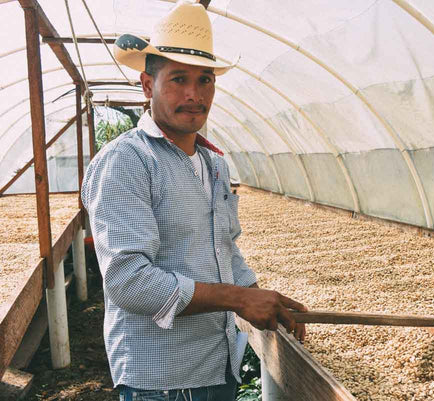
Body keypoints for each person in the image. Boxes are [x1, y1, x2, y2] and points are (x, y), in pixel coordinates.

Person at [81, 2, 306, 400]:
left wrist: (263, 297)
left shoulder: (212, 163)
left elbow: (224, 248)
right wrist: (239, 299)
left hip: (217, 362)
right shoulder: (127, 162)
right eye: (178, 79)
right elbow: (128, 282)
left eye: (205, 81)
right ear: (148, 86)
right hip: (164, 378)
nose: (194, 94)